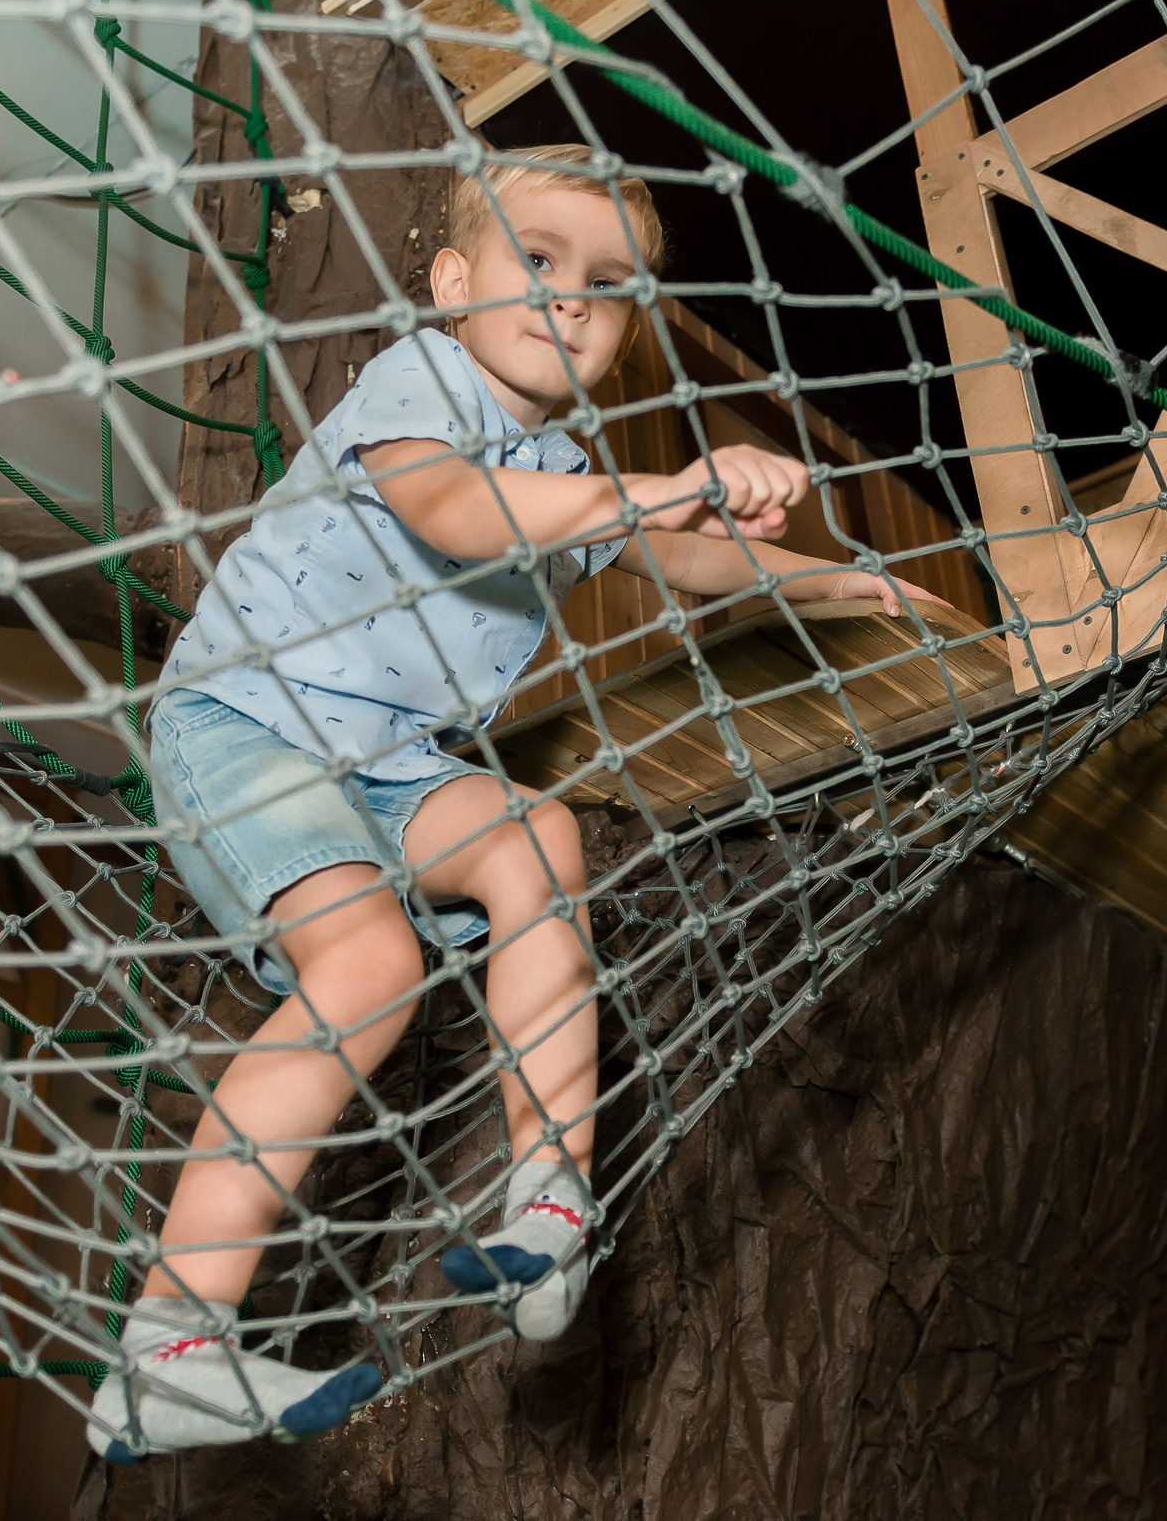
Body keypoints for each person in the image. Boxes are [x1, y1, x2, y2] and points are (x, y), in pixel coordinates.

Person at [92, 144, 938, 1456]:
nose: (572, 300)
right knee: (368, 962)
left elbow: (681, 556)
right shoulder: (419, 380)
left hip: (392, 761)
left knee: (538, 832)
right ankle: (172, 1339)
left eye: (609, 283)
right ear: (450, 280)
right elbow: (453, 509)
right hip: (254, 722)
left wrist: (839, 582)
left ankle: (549, 1196)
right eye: (537, 260)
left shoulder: (558, 456)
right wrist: (658, 481)